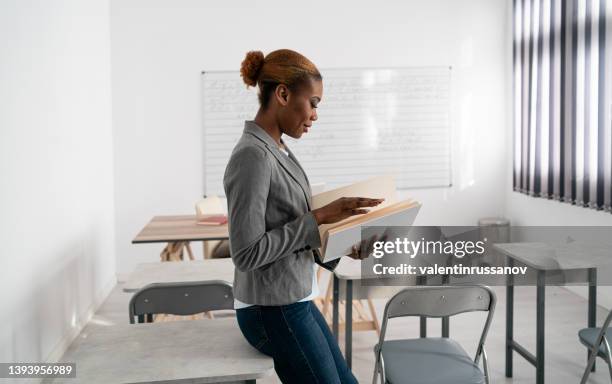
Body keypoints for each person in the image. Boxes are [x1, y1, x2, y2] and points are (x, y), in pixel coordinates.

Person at [223, 49, 383, 383]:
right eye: (313, 102)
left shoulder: (278, 148)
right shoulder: (252, 156)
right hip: (270, 309)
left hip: (293, 298)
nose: (314, 115)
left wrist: (344, 244)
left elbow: (292, 227)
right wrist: (320, 216)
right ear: (282, 94)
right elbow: (246, 253)